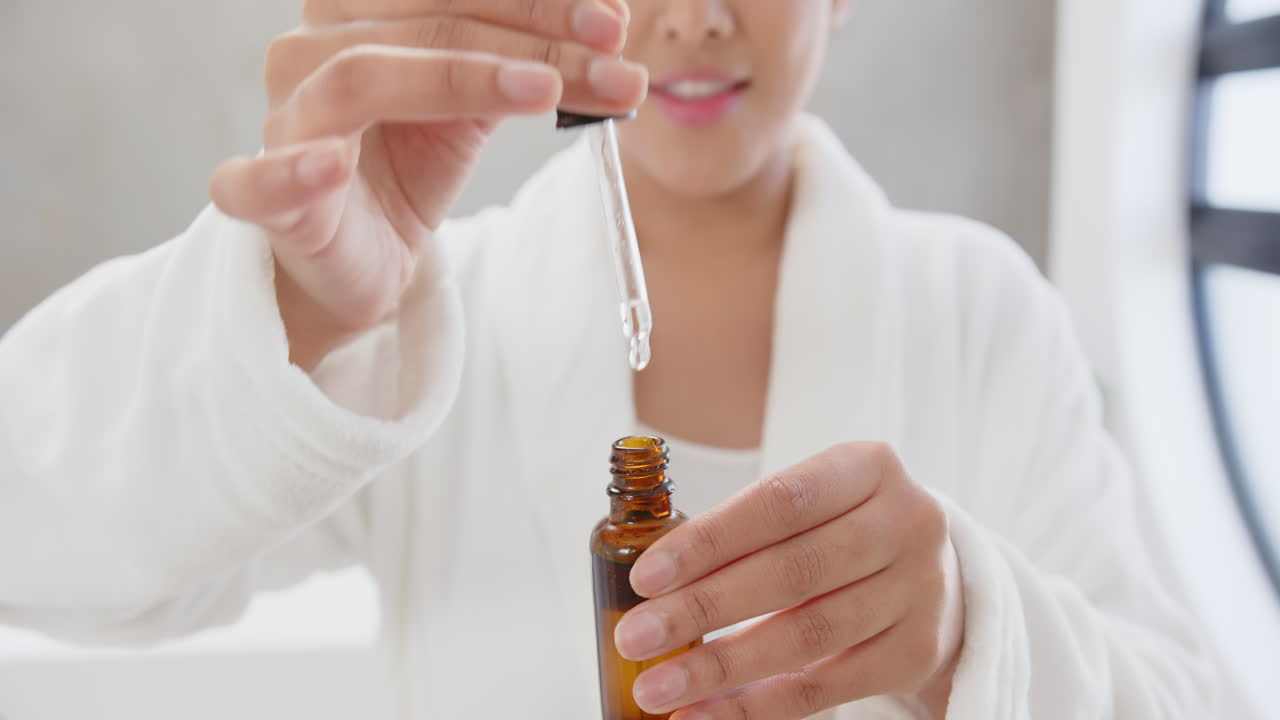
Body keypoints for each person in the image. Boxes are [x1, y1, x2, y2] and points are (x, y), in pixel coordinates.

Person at [0, 1, 1214, 718]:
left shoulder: (980, 312)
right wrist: (298, 311)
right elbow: (29, 541)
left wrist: (967, 629)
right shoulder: (422, 323)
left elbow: (1187, 696)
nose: (692, 14)